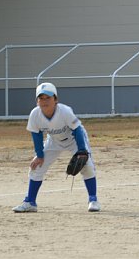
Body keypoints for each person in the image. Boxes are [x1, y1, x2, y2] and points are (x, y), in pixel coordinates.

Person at [12, 82, 101, 213]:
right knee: (37, 166)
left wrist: (82, 150)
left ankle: (93, 200)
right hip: (54, 141)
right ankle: (30, 202)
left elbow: (77, 130)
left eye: (48, 98)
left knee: (87, 165)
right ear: (37, 101)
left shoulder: (64, 111)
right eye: (41, 98)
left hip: (74, 140)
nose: (44, 101)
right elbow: (36, 135)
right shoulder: (35, 114)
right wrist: (40, 155)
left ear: (55, 99)